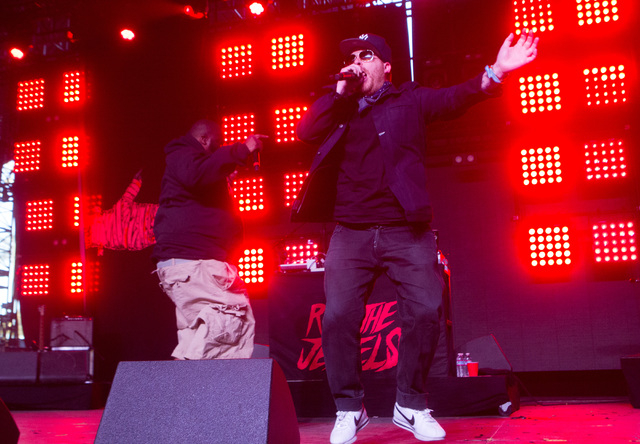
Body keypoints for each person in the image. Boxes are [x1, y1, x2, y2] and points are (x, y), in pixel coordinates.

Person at [293, 31, 538, 443]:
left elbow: (455, 98)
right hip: (351, 231)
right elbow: (305, 131)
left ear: (386, 66)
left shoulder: (409, 100)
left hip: (406, 229)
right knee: (336, 318)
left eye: (366, 55)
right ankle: (349, 408)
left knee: (425, 310)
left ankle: (410, 403)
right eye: (351, 56)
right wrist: (339, 92)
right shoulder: (339, 106)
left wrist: (496, 72)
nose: (357, 62)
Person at [153, 119, 267, 360]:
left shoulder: (190, 167)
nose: (220, 149)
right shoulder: (182, 154)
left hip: (189, 266)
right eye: (217, 144)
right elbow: (198, 173)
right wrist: (241, 149)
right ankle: (204, 379)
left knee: (200, 337)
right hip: (195, 265)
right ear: (204, 139)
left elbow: (202, 175)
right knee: (233, 323)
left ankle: (184, 378)